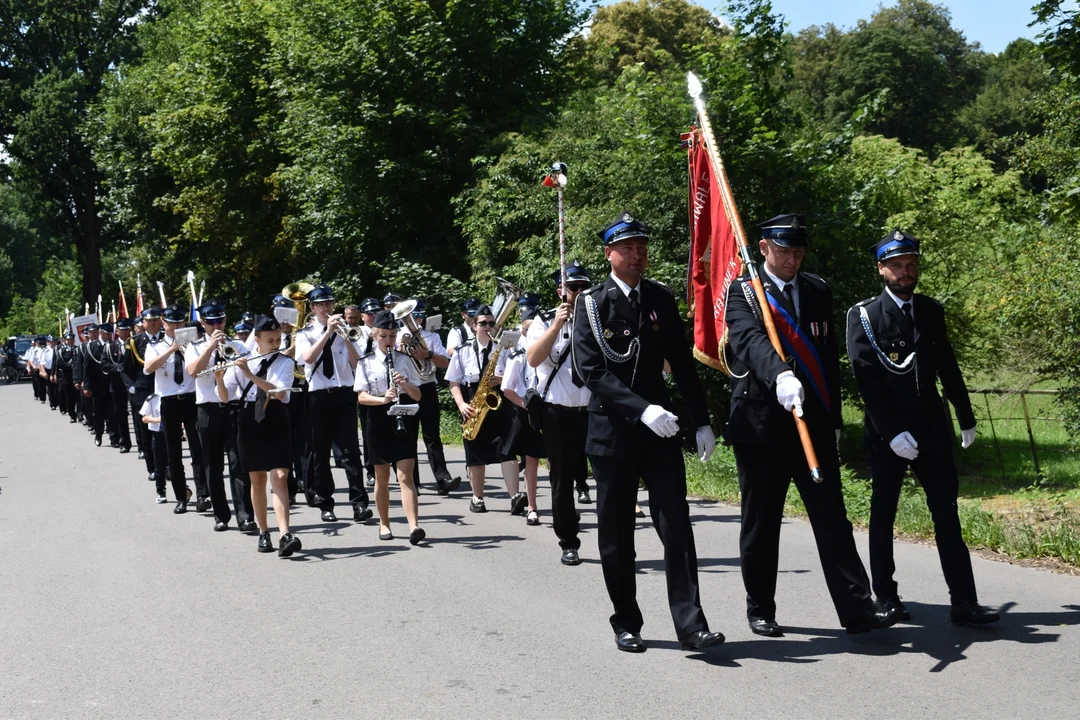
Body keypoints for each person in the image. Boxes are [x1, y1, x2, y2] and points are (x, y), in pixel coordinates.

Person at [724, 213, 900, 637]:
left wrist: (834, 417)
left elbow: (825, 361)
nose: (792, 260)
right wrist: (780, 375)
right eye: (784, 251)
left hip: (813, 424)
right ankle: (761, 608)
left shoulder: (817, 289)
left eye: (799, 252)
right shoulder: (744, 291)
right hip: (762, 425)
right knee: (762, 522)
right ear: (764, 248)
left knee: (833, 519)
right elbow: (749, 340)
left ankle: (857, 608)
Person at [571, 210, 724, 654]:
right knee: (617, 534)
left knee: (676, 526)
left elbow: (682, 363)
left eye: (642, 247)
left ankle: (691, 625)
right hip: (613, 433)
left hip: (660, 434)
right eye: (628, 247)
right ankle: (627, 621)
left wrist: (701, 421)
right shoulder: (590, 304)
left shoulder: (660, 298)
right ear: (609, 254)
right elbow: (591, 371)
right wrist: (642, 410)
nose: (638, 255)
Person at [847, 229, 999, 626]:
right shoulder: (863, 315)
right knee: (883, 516)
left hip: (931, 428)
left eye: (911, 265)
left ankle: (964, 601)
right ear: (881, 269)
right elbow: (866, 381)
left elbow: (946, 365)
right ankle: (887, 598)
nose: (905, 272)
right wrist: (892, 432)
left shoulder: (930, 310)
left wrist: (965, 414)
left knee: (946, 514)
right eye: (896, 265)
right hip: (888, 434)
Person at [215, 314, 302, 557]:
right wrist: (220, 379)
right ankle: (264, 532)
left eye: (278, 340)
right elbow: (224, 397)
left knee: (281, 475)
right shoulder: (242, 360)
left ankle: (285, 533)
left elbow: (280, 394)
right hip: (249, 419)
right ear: (257, 340)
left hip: (275, 417)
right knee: (257, 479)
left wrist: (251, 375)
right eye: (270, 340)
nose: (275, 344)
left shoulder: (284, 363)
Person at [527, 261, 593, 564]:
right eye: (572, 287)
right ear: (561, 291)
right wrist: (556, 324)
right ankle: (569, 541)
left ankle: (615, 541)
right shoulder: (543, 321)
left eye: (583, 287)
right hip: (558, 412)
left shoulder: (596, 318)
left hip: (594, 409)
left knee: (609, 477)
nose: (578, 292)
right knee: (562, 480)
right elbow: (534, 358)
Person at [294, 284, 372, 523]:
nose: (326, 308)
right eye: (321, 305)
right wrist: (327, 333)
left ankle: (359, 504)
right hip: (318, 397)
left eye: (329, 303)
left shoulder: (347, 330)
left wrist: (343, 336)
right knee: (320, 453)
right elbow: (306, 359)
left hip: (345, 394)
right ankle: (325, 504)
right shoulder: (305, 334)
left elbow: (357, 361)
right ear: (313, 308)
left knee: (350, 452)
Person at [355, 310, 427, 544]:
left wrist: (404, 383)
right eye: (384, 336)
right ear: (375, 336)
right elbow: (361, 397)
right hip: (377, 418)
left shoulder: (404, 360)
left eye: (392, 336)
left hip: (403, 415)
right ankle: (384, 523)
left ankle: (413, 525)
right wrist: (382, 399)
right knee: (382, 476)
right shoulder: (365, 362)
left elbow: (417, 396)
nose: (389, 340)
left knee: (405, 475)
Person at [185, 299, 255, 532]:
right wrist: (210, 348)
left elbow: (249, 372)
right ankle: (221, 515)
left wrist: (236, 358)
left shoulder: (238, 344)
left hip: (233, 408)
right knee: (212, 465)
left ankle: (245, 515)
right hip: (208, 409)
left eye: (221, 320)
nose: (217, 325)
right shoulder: (194, 346)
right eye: (211, 321)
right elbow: (194, 372)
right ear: (203, 323)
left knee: (239, 464)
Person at [447, 304, 521, 514]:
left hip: (499, 401)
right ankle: (477, 498)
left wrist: (502, 378)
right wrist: (461, 404)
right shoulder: (462, 352)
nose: (487, 327)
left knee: (507, 449)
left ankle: (514, 496)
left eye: (491, 323)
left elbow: (516, 376)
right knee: (474, 452)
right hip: (473, 403)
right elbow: (453, 382)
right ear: (473, 326)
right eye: (483, 323)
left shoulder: (504, 349)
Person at [143, 303, 208, 514]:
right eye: (171, 322)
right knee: (174, 452)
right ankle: (181, 496)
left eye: (179, 322)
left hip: (191, 398)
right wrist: (172, 349)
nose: (175, 326)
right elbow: (148, 368)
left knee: (197, 449)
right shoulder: (155, 345)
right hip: (169, 400)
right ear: (164, 322)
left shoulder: (195, 343)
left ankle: (202, 494)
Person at [399, 298, 460, 495]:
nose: (415, 319)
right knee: (408, 437)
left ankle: (442, 478)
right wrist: (400, 350)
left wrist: (427, 354)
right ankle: (412, 483)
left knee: (432, 436)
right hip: (406, 391)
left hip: (427, 388)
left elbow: (444, 362)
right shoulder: (398, 336)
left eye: (418, 315)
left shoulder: (432, 337)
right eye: (412, 316)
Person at [499, 301, 544, 524]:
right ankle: (532, 507)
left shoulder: (549, 350)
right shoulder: (518, 355)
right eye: (528, 330)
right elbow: (507, 389)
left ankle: (564, 505)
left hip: (553, 409)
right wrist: (527, 406)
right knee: (531, 460)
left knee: (559, 459)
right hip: (528, 411)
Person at [122, 307, 163, 481]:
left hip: (164, 390)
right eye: (149, 321)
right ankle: (152, 467)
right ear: (143, 323)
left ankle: (166, 465)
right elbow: (127, 369)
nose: (153, 324)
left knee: (165, 430)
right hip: (143, 391)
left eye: (155, 320)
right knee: (146, 432)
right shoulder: (134, 342)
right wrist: (132, 387)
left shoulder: (168, 339)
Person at [357, 297, 381, 487]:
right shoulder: (356, 334)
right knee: (368, 431)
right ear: (362, 316)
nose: (373, 316)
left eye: (376, 312)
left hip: (384, 384)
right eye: (369, 313)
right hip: (364, 384)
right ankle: (371, 469)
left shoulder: (385, 332)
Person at [139, 391, 172, 504]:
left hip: (172, 433)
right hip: (158, 433)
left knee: (174, 463)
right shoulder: (152, 399)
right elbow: (144, 418)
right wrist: (158, 420)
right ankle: (161, 492)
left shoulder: (173, 396)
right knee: (159, 465)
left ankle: (183, 491)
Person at [55, 332, 79, 423]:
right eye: (68, 340)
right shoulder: (61, 351)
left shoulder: (78, 349)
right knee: (70, 398)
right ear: (65, 340)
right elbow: (59, 363)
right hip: (67, 378)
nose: (70, 341)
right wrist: (71, 366)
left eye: (71, 339)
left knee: (79, 397)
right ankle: (72, 415)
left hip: (77, 377)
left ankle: (80, 414)